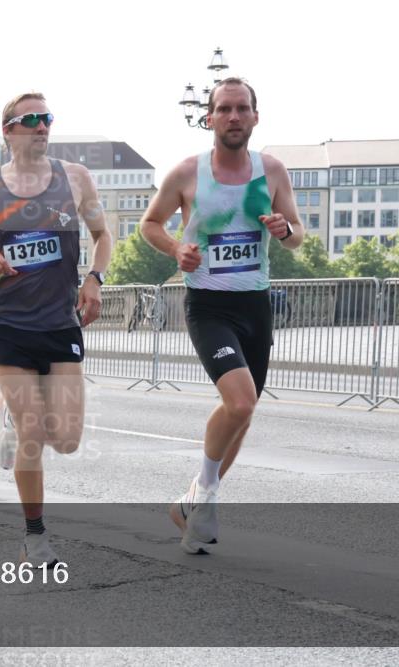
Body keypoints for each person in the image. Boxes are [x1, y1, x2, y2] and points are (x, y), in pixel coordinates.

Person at [0, 92, 112, 567]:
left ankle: (14, 425)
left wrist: (95, 278)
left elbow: (102, 235)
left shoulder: (75, 180)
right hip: (9, 327)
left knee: (68, 439)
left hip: (61, 324)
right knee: (35, 429)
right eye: (30, 119)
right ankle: (35, 538)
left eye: (47, 118)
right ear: (9, 130)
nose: (41, 125)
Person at [140, 78, 303, 554]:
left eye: (242, 109)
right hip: (208, 303)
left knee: (243, 416)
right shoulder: (187, 173)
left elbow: (295, 237)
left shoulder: (272, 170)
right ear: (208, 118)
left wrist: (284, 226)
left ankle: (189, 503)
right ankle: (206, 494)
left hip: (255, 303)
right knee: (240, 402)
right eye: (224, 109)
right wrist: (177, 248)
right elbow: (151, 224)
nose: (233, 117)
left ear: (255, 117)